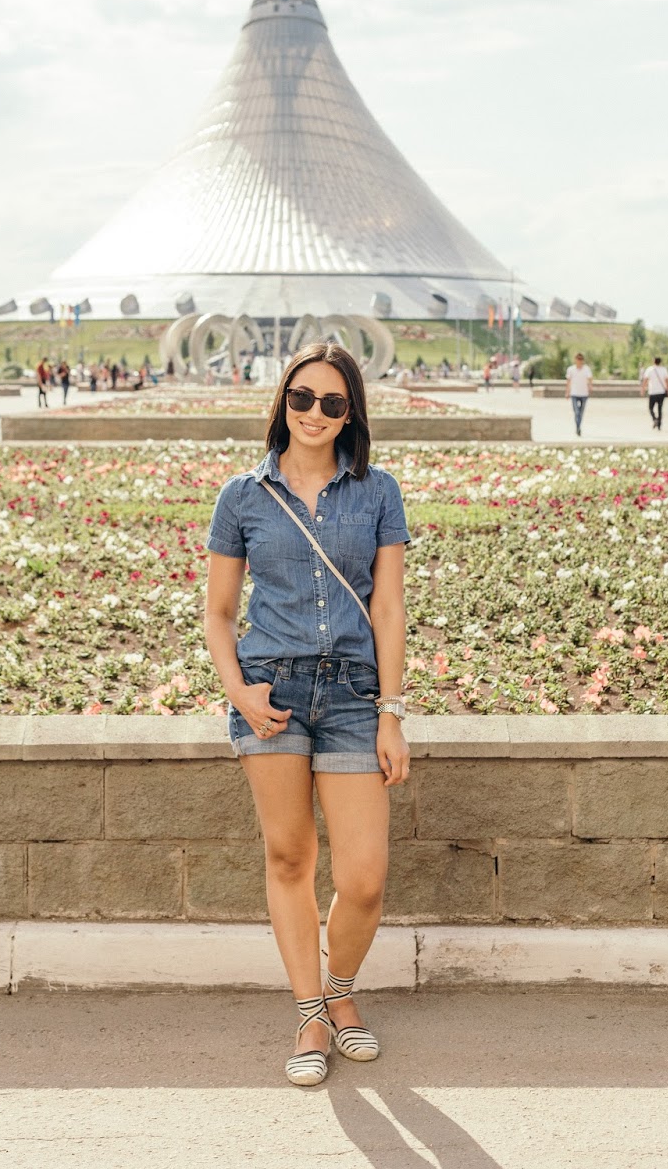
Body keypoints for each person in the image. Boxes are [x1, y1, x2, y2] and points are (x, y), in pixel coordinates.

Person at [205, 342, 410, 1088]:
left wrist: (391, 712)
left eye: (331, 402)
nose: (314, 414)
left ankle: (341, 989)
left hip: (355, 693)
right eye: (301, 398)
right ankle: (310, 1014)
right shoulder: (243, 496)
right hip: (273, 693)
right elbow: (220, 613)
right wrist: (239, 691)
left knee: (362, 878)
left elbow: (387, 606)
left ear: (350, 412)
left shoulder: (377, 490)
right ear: (281, 403)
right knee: (290, 859)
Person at [565, 352, 592, 436]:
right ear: (575, 360)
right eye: (578, 359)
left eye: (581, 359)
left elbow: (590, 378)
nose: (579, 361)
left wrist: (590, 386)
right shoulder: (571, 369)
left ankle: (578, 427)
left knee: (581, 412)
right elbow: (568, 381)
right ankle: (578, 427)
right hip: (574, 393)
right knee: (576, 412)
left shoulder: (586, 369)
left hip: (584, 394)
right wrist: (567, 392)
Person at [640, 357, 668, 430]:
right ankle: (659, 424)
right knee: (660, 409)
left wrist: (643, 389)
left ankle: (654, 419)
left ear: (653, 362)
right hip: (661, 392)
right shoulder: (664, 369)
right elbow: (667, 381)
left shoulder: (650, 369)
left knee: (650, 408)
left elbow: (645, 380)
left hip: (652, 392)